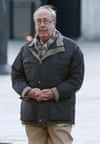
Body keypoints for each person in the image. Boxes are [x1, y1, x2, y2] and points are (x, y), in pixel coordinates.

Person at [11, 5, 84, 144]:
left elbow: (76, 80)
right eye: (38, 21)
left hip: (59, 116)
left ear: (54, 23)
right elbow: (16, 77)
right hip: (32, 115)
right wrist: (29, 92)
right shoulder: (25, 50)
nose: (42, 25)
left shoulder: (72, 49)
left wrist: (53, 92)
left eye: (46, 21)